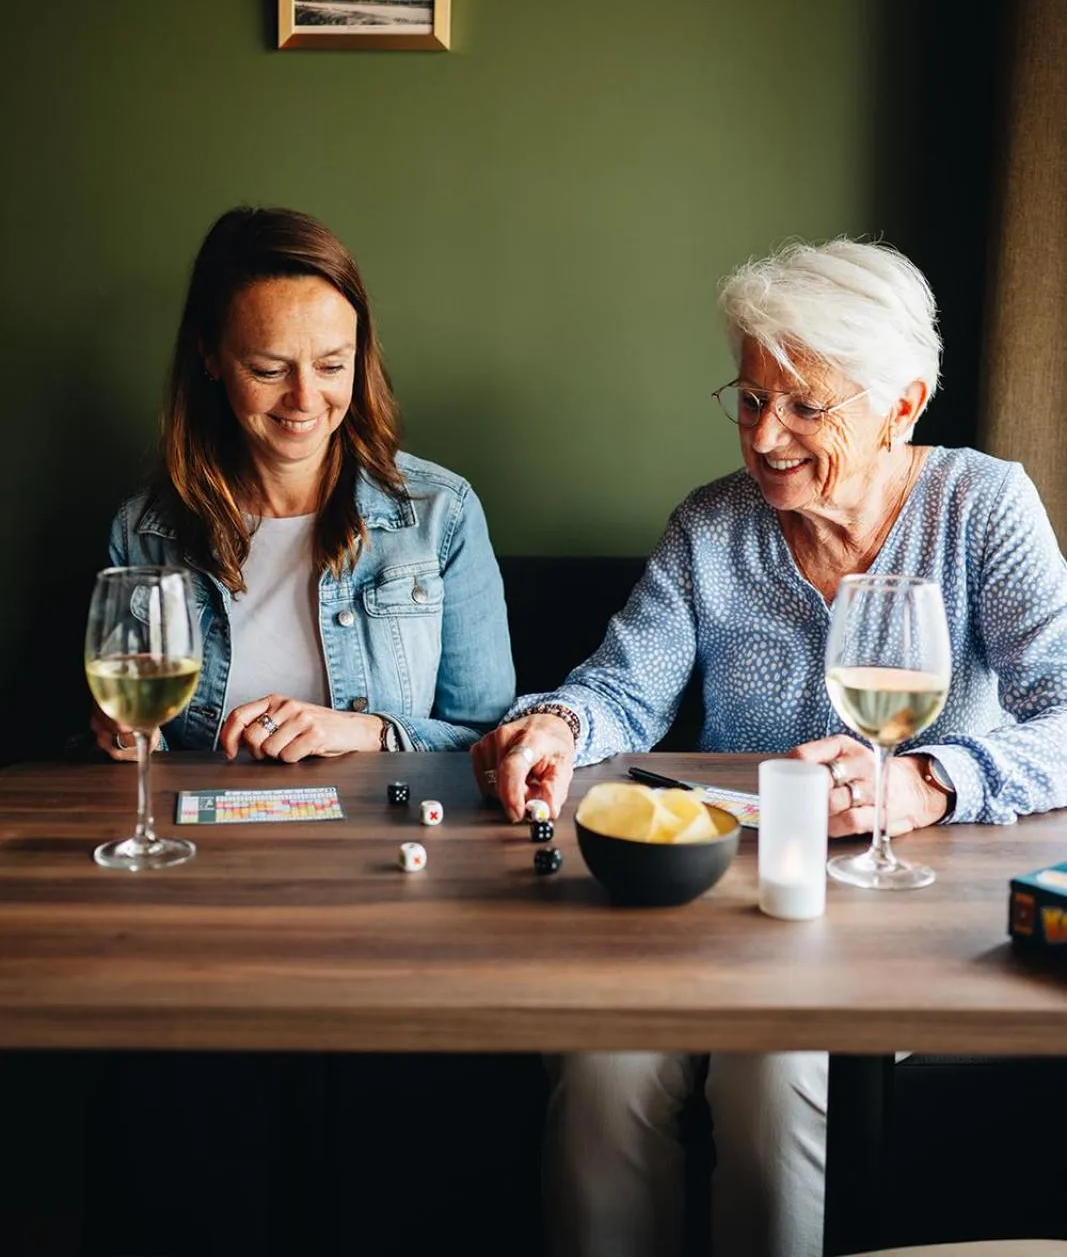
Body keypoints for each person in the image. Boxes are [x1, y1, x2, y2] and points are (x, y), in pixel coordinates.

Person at [471, 236, 1067, 1257]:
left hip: (902, 909)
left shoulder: (981, 507)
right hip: (716, 902)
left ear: (901, 405)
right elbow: (622, 688)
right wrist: (558, 727)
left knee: (778, 1064)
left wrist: (925, 781)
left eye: (803, 406)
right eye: (749, 399)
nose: (764, 434)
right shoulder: (712, 526)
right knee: (600, 1058)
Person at [90, 205, 513, 764]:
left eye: (332, 366)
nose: (306, 399)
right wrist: (127, 739)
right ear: (210, 356)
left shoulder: (441, 513)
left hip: (378, 819)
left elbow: (488, 737)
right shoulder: (142, 532)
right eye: (269, 370)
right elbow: (135, 746)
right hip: (204, 820)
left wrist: (366, 732)